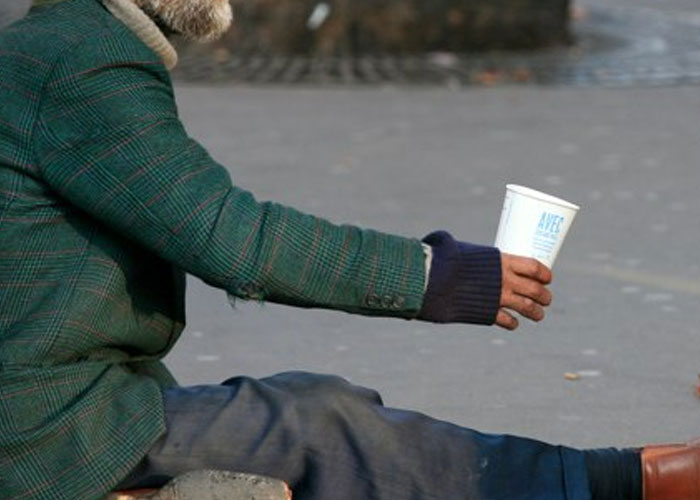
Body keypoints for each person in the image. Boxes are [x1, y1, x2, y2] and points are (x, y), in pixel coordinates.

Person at [0, 1, 697, 499]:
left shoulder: (62, 45)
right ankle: (625, 481)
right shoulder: (82, 63)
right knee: (329, 427)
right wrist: (442, 277)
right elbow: (234, 238)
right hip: (48, 432)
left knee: (326, 411)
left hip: (68, 404)